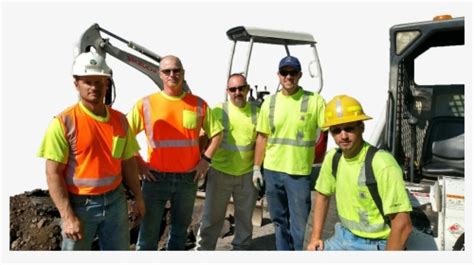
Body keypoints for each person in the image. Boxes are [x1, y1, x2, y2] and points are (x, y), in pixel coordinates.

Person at [37, 51, 145, 250]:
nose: (94, 87)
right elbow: (53, 173)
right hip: (80, 205)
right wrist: (68, 217)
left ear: (107, 84)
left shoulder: (120, 120)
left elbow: (128, 161)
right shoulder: (64, 122)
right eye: (88, 81)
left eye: (99, 81)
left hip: (115, 201)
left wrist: (138, 197)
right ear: (76, 84)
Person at [128, 55, 223, 250]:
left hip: (187, 179)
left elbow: (218, 133)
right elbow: (124, 135)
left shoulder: (197, 104)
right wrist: (139, 162)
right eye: (167, 71)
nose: (172, 74)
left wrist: (205, 160)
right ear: (159, 74)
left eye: (176, 70)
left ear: (183, 73)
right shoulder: (146, 104)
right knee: (148, 234)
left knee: (179, 233)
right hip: (155, 178)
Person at [306, 95, 413, 251]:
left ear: (361, 127)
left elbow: (403, 225)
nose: (343, 135)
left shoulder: (382, 163)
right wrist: (315, 237)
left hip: (375, 244)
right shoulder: (333, 158)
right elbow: (322, 196)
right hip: (343, 236)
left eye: (349, 128)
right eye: (336, 130)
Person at [253, 56, 326, 250]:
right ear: (278, 75)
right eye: (284, 73)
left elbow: (329, 130)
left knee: (300, 226)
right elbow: (262, 137)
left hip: (298, 174)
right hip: (272, 171)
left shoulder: (314, 101)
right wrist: (256, 168)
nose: (288, 77)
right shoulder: (269, 103)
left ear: (300, 75)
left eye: (292, 73)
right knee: (279, 223)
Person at [195, 74, 259, 250]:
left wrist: (259, 170)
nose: (237, 92)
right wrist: (201, 160)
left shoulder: (257, 113)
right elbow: (202, 136)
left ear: (248, 89)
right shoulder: (218, 111)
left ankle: (241, 248)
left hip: (246, 175)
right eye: (233, 89)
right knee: (212, 218)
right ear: (227, 91)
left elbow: (262, 142)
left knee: (245, 218)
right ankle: (204, 250)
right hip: (220, 173)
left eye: (241, 88)